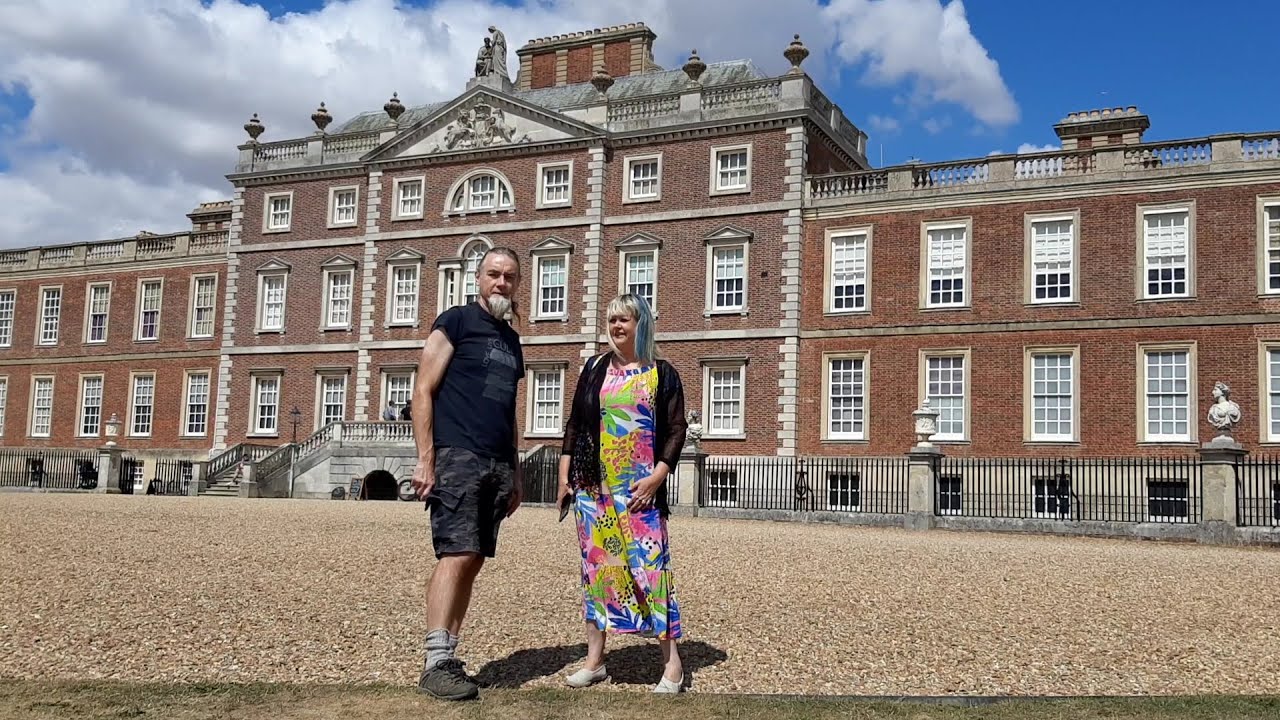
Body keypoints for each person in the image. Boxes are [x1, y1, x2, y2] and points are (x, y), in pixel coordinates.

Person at [557, 293, 689, 693]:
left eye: (624, 320)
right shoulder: (595, 368)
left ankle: (673, 666)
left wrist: (657, 477)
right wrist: (566, 479)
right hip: (594, 489)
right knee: (599, 572)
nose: (616, 327)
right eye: (612, 319)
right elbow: (576, 425)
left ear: (641, 324)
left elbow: (677, 428)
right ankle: (595, 660)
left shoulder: (660, 372)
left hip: (639, 491)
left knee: (650, 570)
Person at [410, 247, 525, 701]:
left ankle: (449, 655)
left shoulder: (512, 341)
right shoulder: (455, 321)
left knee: (474, 558)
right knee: (455, 554)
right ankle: (435, 661)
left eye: (510, 277)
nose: (501, 283)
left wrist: (516, 473)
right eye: (494, 274)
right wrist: (425, 457)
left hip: (497, 461)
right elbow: (423, 388)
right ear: (479, 279)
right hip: (458, 455)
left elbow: (509, 410)